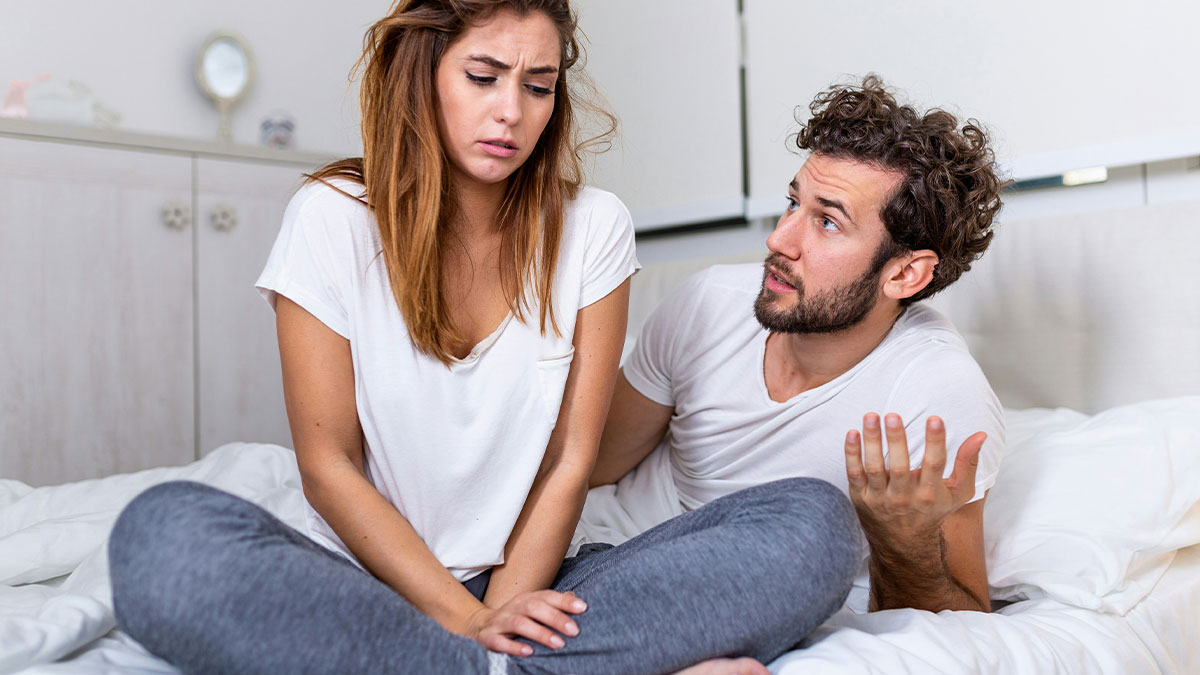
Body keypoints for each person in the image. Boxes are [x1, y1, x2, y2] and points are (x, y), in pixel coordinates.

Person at [107, 2, 857, 674]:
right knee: (163, 537)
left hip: (543, 584)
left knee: (813, 526)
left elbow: (570, 459)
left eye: (537, 85)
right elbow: (328, 465)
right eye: (483, 76)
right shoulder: (330, 215)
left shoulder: (595, 227)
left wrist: (506, 608)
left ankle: (456, 667)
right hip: (366, 584)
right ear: (423, 72)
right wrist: (469, 622)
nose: (512, 113)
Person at [585, 75, 1008, 620]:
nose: (780, 240)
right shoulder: (708, 303)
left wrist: (902, 539)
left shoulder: (932, 395)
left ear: (905, 274)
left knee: (812, 519)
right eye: (793, 203)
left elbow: (963, 619)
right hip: (600, 559)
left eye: (827, 222)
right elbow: (587, 466)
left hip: (743, 597)